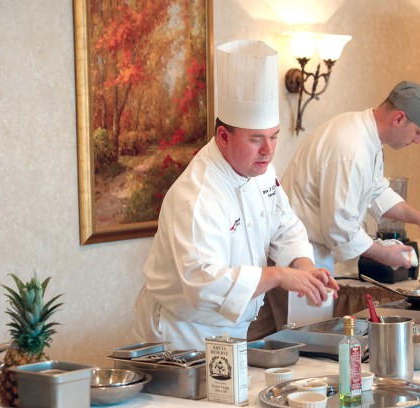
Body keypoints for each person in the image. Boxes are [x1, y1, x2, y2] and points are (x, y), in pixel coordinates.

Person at [133, 39, 338, 351]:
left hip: (235, 329)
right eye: (256, 139)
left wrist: (302, 266)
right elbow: (204, 285)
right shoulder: (198, 195)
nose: (268, 151)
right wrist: (277, 275)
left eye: (273, 137)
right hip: (184, 334)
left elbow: (286, 226)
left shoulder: (260, 170)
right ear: (224, 137)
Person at [282, 81, 420, 274]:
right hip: (296, 256)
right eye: (418, 132)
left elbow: (377, 192)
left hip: (314, 253)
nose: (417, 141)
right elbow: (341, 228)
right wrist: (384, 254)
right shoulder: (351, 148)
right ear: (399, 118)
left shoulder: (367, 136)